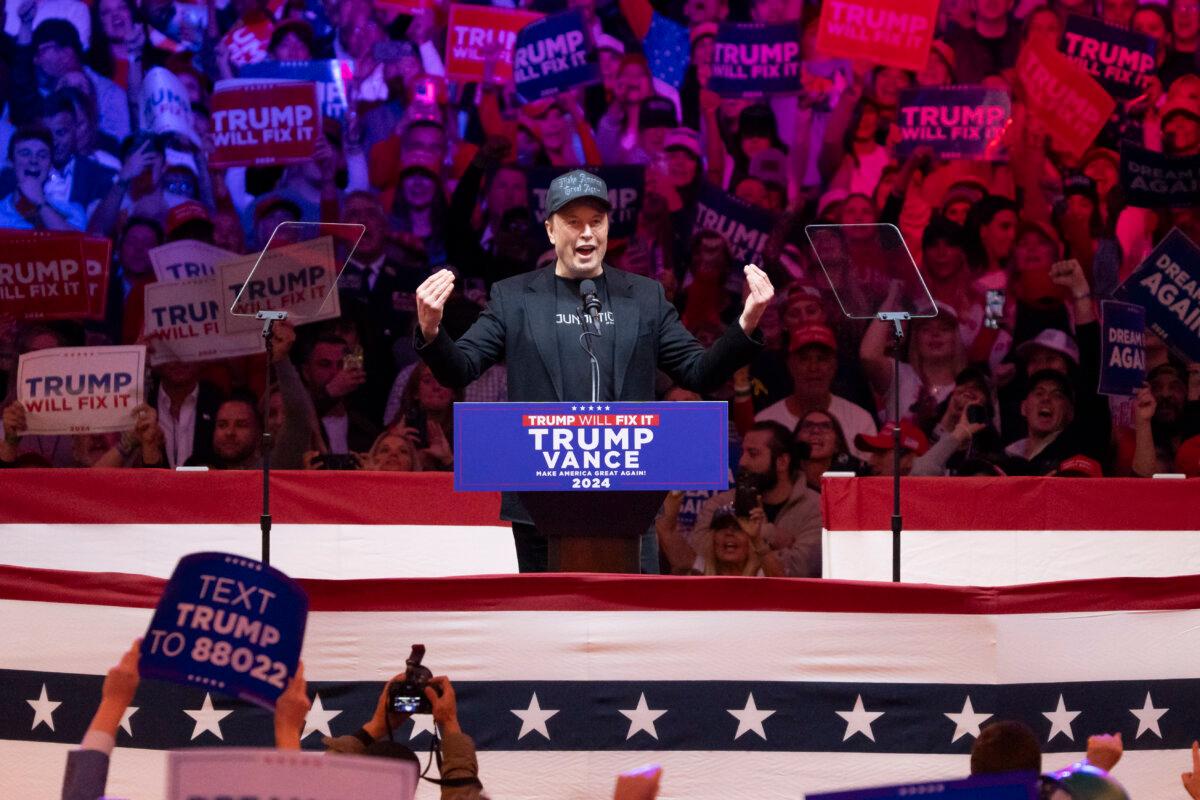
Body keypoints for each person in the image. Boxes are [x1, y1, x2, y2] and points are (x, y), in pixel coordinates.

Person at [414, 169, 774, 572]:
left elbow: (698, 371)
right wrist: (431, 330)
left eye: (596, 222)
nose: (586, 233)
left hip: (629, 504)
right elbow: (460, 369)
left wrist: (746, 324)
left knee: (632, 628)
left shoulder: (643, 296)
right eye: (572, 222)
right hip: (538, 503)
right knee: (544, 624)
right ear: (550, 230)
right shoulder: (514, 297)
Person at [691, 421, 822, 577]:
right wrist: (773, 536)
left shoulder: (815, 506)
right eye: (743, 453)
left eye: (752, 453)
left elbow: (799, 569)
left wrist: (757, 537)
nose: (742, 462)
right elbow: (699, 552)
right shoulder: (722, 501)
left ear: (782, 462)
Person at [753, 324, 878, 460]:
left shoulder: (860, 420)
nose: (813, 367)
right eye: (804, 359)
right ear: (790, 365)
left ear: (834, 365)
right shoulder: (765, 422)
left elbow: (870, 476)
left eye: (822, 359)